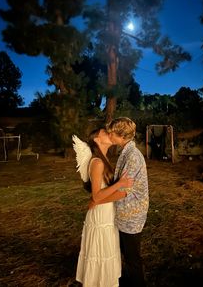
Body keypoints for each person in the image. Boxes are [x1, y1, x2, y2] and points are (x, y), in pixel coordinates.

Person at [92, 117, 149, 286]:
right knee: (127, 254)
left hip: (132, 214)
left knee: (133, 258)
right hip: (126, 213)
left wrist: (98, 201)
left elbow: (123, 192)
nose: (109, 135)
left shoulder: (132, 156)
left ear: (121, 136)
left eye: (112, 133)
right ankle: (129, 280)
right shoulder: (126, 152)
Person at [73, 128, 133, 287]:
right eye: (105, 132)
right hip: (100, 216)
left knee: (107, 251)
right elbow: (97, 196)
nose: (109, 133)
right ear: (96, 140)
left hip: (106, 211)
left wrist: (122, 193)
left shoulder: (104, 159)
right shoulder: (97, 162)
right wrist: (121, 186)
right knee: (100, 252)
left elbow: (99, 198)